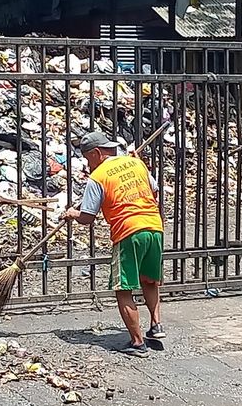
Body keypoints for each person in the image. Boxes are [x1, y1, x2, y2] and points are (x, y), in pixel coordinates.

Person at [62, 131, 165, 358]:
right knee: (149, 280)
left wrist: (72, 213)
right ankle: (156, 325)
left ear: (97, 153)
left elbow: (87, 218)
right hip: (154, 227)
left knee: (123, 287)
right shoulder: (136, 164)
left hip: (128, 231)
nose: (88, 164)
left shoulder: (98, 177)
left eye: (88, 158)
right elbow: (155, 190)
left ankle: (137, 343)